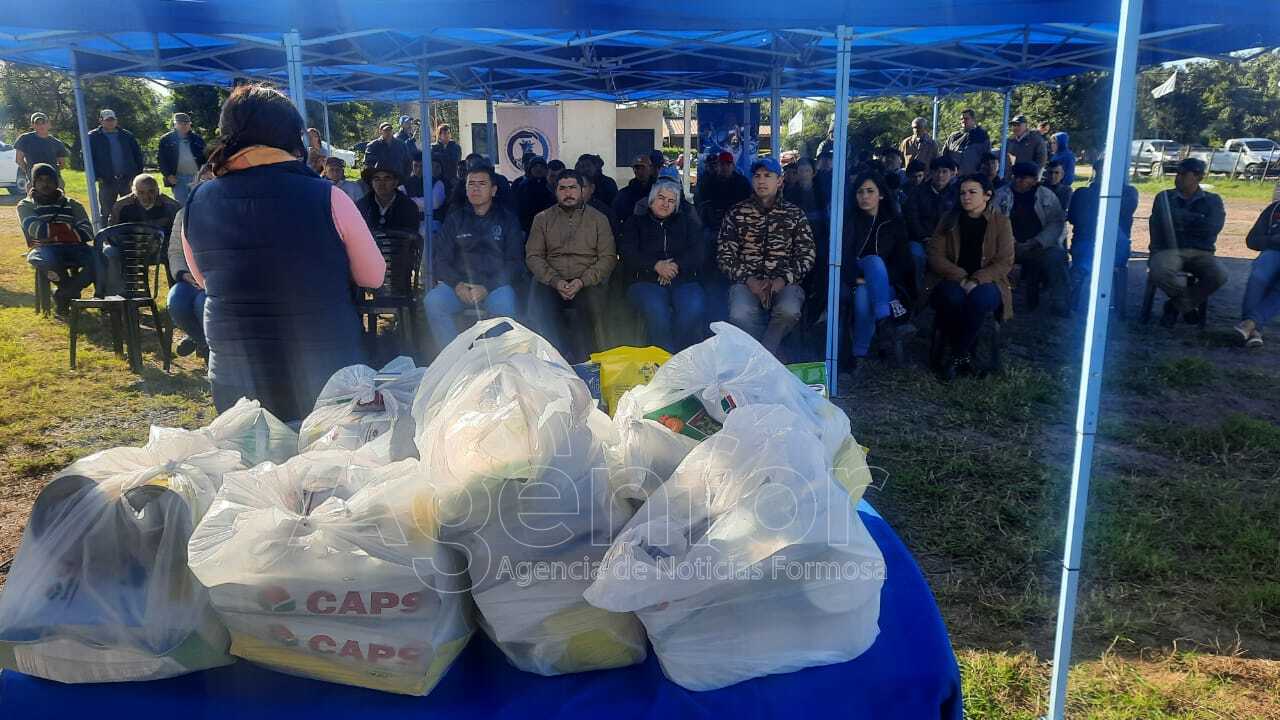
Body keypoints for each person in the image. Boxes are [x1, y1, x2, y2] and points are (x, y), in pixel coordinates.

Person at [181, 84, 385, 422]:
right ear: (293, 136)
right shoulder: (329, 197)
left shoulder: (197, 201)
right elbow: (373, 276)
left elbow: (203, 279)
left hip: (236, 381)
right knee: (324, 471)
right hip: (323, 375)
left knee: (254, 470)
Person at [718, 156, 816, 358]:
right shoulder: (736, 213)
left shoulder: (794, 214)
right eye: (757, 176)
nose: (761, 181)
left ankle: (762, 357)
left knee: (789, 309)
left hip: (785, 283)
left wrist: (784, 279)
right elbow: (725, 254)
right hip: (746, 283)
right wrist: (749, 280)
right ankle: (770, 355)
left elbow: (806, 254)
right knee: (740, 313)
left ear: (780, 181)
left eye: (768, 176)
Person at [925, 174, 1015, 380]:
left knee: (980, 299)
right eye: (963, 193)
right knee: (953, 298)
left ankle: (956, 354)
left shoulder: (1001, 222)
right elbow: (935, 255)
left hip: (988, 281)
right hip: (950, 278)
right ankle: (964, 355)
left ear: (987, 195)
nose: (966, 197)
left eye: (972, 192)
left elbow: (1005, 261)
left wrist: (977, 279)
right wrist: (962, 277)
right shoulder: (949, 219)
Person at [426, 166, 524, 348]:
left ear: (493, 190)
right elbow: (441, 260)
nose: (475, 189)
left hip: (495, 287)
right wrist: (457, 285)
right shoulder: (455, 219)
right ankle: (455, 358)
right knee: (434, 301)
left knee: (505, 305)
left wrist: (487, 287)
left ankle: (495, 361)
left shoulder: (508, 220)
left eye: (482, 184)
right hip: (459, 286)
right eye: (471, 184)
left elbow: (515, 263)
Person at [526, 170, 617, 361]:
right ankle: (549, 363)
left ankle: (586, 365)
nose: (568, 193)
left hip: (587, 281)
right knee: (541, 308)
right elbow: (533, 256)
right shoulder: (542, 219)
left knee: (588, 316)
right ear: (555, 191)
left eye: (573, 188)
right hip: (551, 280)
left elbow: (608, 258)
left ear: (582, 190)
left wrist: (582, 281)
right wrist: (555, 281)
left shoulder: (598, 219)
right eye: (563, 188)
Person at [619, 179, 708, 353]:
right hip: (645, 281)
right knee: (656, 310)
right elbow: (627, 253)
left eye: (671, 200)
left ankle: (681, 355)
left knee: (693, 306)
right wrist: (656, 265)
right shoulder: (635, 223)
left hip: (683, 280)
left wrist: (674, 267)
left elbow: (699, 252)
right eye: (661, 198)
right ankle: (664, 357)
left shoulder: (687, 224)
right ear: (651, 200)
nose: (665, 204)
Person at [843, 171, 915, 369]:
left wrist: (874, 281)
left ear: (881, 194)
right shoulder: (850, 220)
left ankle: (859, 353)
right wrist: (857, 278)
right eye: (860, 192)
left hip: (885, 283)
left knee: (865, 295)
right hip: (856, 274)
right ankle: (885, 323)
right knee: (873, 261)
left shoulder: (894, 222)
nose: (864, 196)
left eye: (870, 191)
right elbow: (841, 257)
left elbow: (903, 263)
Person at [1148, 158, 1228, 327]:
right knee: (1160, 270)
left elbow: (1212, 228)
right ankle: (1187, 306)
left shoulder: (1213, 200)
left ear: (1198, 177)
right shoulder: (1164, 197)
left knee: (1220, 275)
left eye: (1183, 174)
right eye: (1177, 173)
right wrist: (1197, 219)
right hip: (1169, 250)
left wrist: (1180, 219)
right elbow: (1157, 225)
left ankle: (1176, 305)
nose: (1178, 177)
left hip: (1201, 252)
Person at [17, 164, 96, 315]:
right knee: (43, 259)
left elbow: (87, 232)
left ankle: (64, 294)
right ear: (33, 183)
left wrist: (51, 232)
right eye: (40, 180)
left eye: (49, 180)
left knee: (100, 258)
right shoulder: (26, 205)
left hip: (76, 248)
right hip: (45, 250)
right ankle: (70, 292)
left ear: (56, 182)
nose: (45, 184)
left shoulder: (73, 204)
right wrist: (69, 229)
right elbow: (38, 231)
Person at [993, 161, 1068, 315]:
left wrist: (1038, 241)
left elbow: (1057, 223)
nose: (1019, 181)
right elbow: (993, 221)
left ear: (1034, 180)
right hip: (1005, 245)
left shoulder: (1047, 196)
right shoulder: (1001, 195)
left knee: (1057, 257)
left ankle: (1060, 300)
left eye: (1024, 178)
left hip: (1039, 245)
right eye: (1017, 177)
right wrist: (1009, 241)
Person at [1067, 158, 1138, 312]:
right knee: (1092, 239)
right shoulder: (1082, 193)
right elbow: (1074, 218)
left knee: (1109, 233)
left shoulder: (1129, 193)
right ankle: (1077, 279)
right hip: (1086, 242)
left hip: (1115, 248)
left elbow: (1123, 211)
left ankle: (1079, 275)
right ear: (1096, 172)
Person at [904, 156, 959, 292]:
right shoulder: (917, 193)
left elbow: (957, 220)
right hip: (921, 239)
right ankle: (917, 292)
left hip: (946, 241)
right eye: (937, 171)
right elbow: (912, 219)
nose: (940, 175)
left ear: (952, 174)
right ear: (931, 173)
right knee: (915, 255)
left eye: (944, 171)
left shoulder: (957, 195)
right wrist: (924, 237)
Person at [1236, 186, 1280, 347]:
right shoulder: (1274, 210)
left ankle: (1250, 324)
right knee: (1259, 274)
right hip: (1273, 252)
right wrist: (1274, 240)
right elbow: (1252, 240)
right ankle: (1254, 330)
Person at [87, 109, 146, 226]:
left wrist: (137, 176)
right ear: (101, 121)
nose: (110, 122)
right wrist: (97, 176)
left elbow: (138, 156)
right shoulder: (92, 137)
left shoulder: (127, 136)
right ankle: (106, 237)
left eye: (112, 120)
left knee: (131, 208)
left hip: (127, 180)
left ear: (116, 120)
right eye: (107, 120)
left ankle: (129, 234)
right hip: (107, 181)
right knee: (107, 211)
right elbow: (87, 158)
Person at [695, 150, 753, 231]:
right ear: (717, 166)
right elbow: (700, 203)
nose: (725, 167)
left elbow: (749, 203)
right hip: (712, 227)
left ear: (733, 165)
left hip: (736, 226)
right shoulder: (708, 182)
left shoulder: (742, 182)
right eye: (722, 164)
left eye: (728, 164)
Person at [357, 163, 421, 235]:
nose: (381, 184)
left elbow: (412, 237)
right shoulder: (362, 206)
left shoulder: (409, 207)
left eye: (387, 179)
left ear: (395, 182)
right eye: (377, 179)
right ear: (372, 183)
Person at [157, 113, 207, 205]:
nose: (184, 126)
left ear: (190, 125)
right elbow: (161, 160)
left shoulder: (198, 139)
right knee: (181, 205)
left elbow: (206, 157)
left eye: (186, 124)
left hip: (197, 177)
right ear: (175, 125)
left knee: (199, 203)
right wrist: (168, 175)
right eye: (181, 123)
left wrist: (205, 172)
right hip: (178, 178)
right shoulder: (165, 139)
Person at [14, 112, 68, 176]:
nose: (41, 126)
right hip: (34, 177)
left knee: (61, 184)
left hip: (53, 177)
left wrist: (51, 172)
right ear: (32, 125)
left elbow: (62, 164)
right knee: (30, 186)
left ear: (48, 124)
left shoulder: (57, 143)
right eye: (37, 123)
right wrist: (29, 172)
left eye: (43, 122)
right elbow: (19, 160)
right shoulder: (24, 139)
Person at [942, 108, 991, 176]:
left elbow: (987, 159)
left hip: (972, 177)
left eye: (966, 119)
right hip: (952, 178)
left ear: (973, 120)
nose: (963, 121)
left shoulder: (982, 137)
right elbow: (944, 156)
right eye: (961, 119)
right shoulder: (953, 137)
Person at [515, 155, 555, 232]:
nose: (538, 169)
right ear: (530, 169)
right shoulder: (523, 186)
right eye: (535, 166)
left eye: (541, 166)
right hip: (528, 228)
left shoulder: (550, 186)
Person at [614, 153, 656, 225]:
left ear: (650, 168)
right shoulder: (623, 194)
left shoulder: (660, 192)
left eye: (643, 167)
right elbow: (615, 218)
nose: (639, 171)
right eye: (636, 168)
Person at [580, 173, 620, 239]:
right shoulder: (559, 211)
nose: (577, 190)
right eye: (574, 187)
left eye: (583, 187)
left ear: (592, 188)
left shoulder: (604, 213)